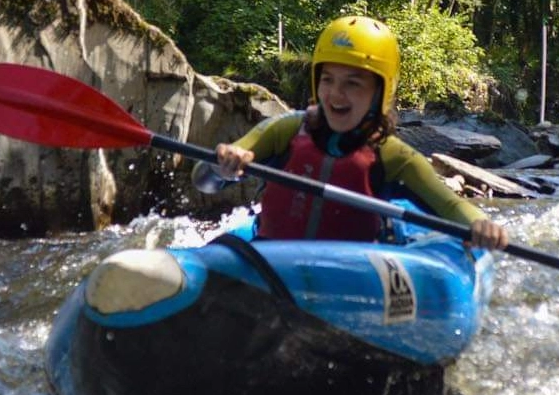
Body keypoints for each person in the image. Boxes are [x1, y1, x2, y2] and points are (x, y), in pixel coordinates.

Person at [201, 14, 510, 251]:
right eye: (328, 80)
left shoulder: (394, 157)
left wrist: (481, 225)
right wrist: (223, 165)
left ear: (380, 92)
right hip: (271, 261)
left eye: (353, 83)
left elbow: (450, 206)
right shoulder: (286, 130)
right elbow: (203, 180)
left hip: (350, 275)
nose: (336, 94)